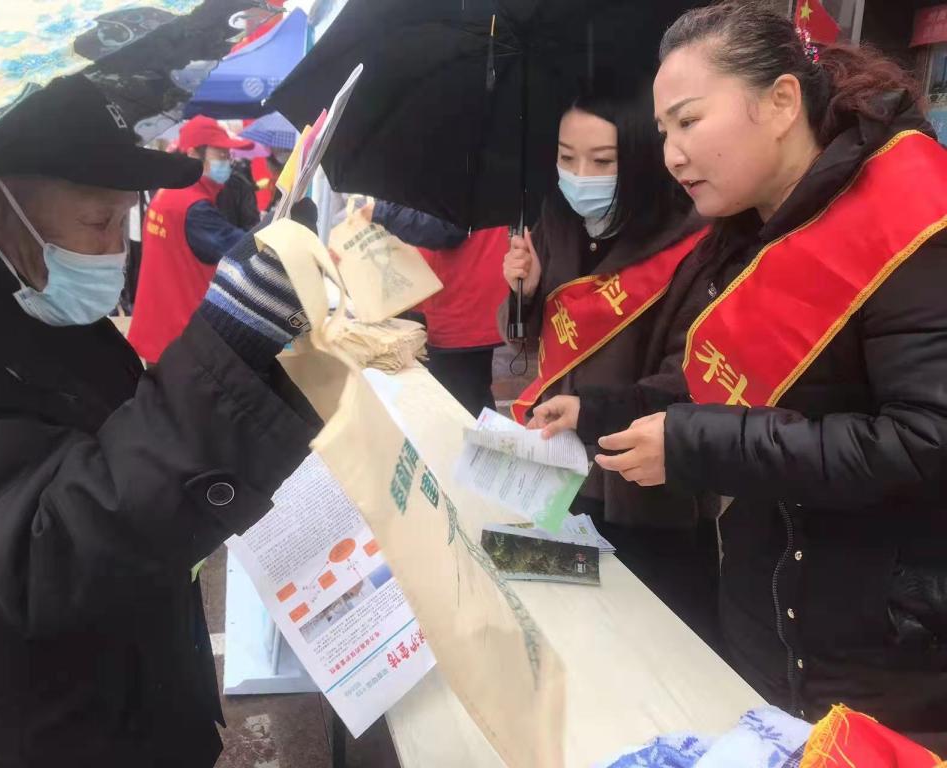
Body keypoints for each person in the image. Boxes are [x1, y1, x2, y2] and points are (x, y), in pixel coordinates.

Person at [546, 2, 947, 747]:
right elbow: (723, 382)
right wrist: (599, 411)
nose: (671, 154)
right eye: (663, 131)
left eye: (690, 121)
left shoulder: (912, 224)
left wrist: (695, 445)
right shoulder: (748, 228)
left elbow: (924, 442)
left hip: (884, 653)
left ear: (782, 101)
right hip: (769, 619)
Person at [0, 75, 317, 765]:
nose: (117, 249)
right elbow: (42, 550)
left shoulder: (34, 303)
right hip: (39, 738)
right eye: (99, 222)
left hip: (139, 702)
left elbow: (131, 455)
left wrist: (260, 367)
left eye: (124, 219)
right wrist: (225, 353)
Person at [501, 88, 719, 646]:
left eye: (601, 161)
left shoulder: (692, 245)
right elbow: (526, 338)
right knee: (566, 637)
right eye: (566, 157)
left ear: (643, 158)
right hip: (559, 474)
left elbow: (692, 381)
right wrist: (524, 294)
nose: (580, 176)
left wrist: (592, 410)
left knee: (651, 647)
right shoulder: (556, 222)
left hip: (642, 493)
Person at [128, 115, 256, 363]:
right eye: (220, 154)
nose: (227, 162)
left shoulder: (168, 193)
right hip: (182, 340)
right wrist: (280, 224)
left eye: (228, 155)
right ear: (194, 154)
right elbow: (244, 251)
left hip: (161, 331)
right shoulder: (193, 207)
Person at [363, 200, 509, 417]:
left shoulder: (461, 178)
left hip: (460, 301)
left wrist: (384, 212)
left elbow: (443, 227)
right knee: (462, 400)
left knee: (460, 406)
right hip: (459, 297)